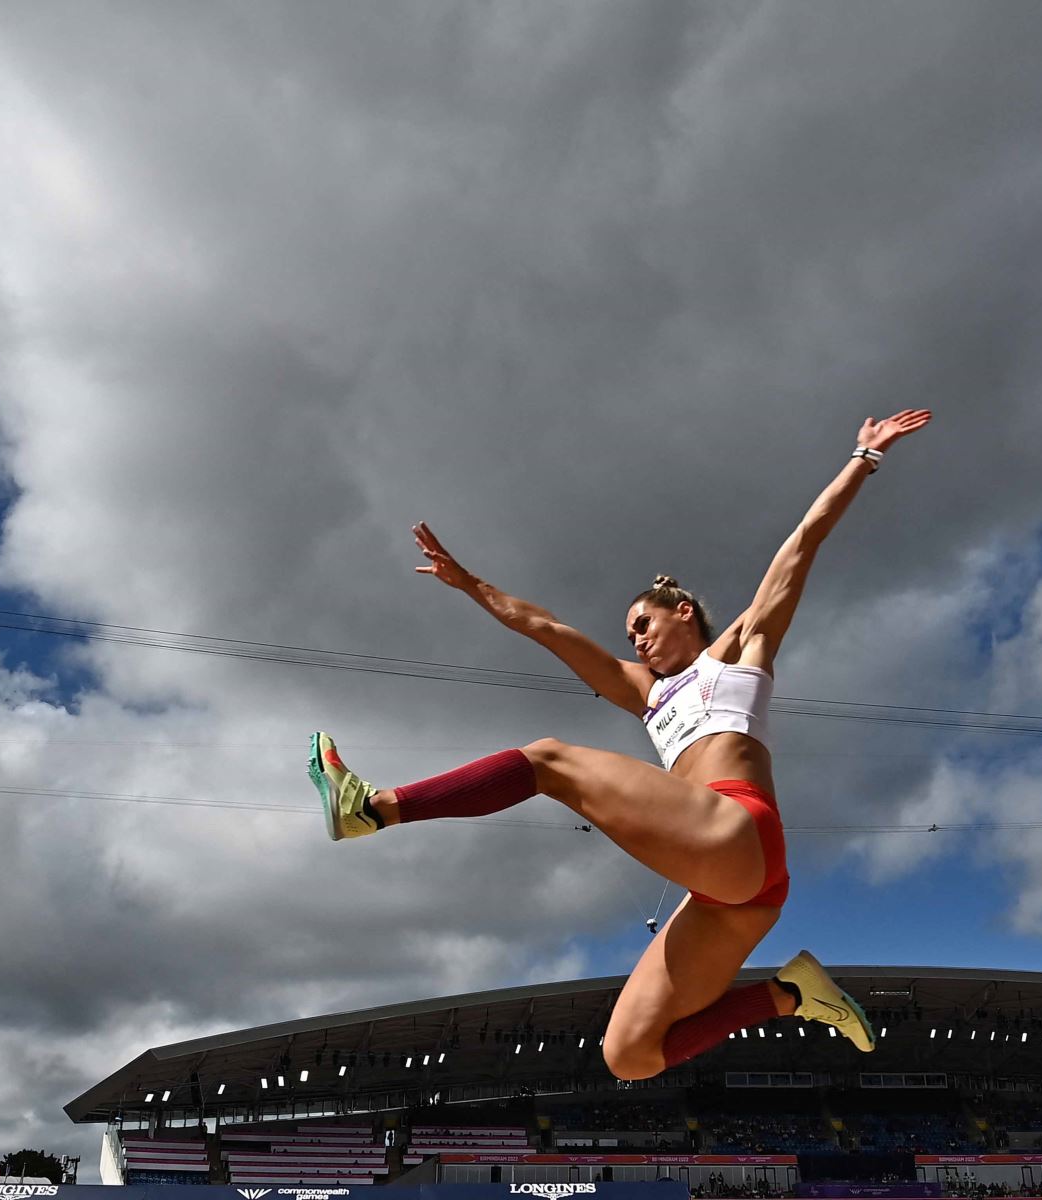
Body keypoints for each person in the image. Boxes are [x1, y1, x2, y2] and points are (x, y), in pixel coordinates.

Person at [308, 409, 932, 1079]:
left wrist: (863, 458)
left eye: (642, 623)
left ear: (683, 612)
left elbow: (802, 544)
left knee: (549, 760)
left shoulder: (742, 652)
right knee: (629, 1055)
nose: (633, 638)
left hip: (738, 829)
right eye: (629, 632)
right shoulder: (645, 692)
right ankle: (788, 995)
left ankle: (374, 807)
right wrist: (471, 585)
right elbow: (544, 626)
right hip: (735, 890)